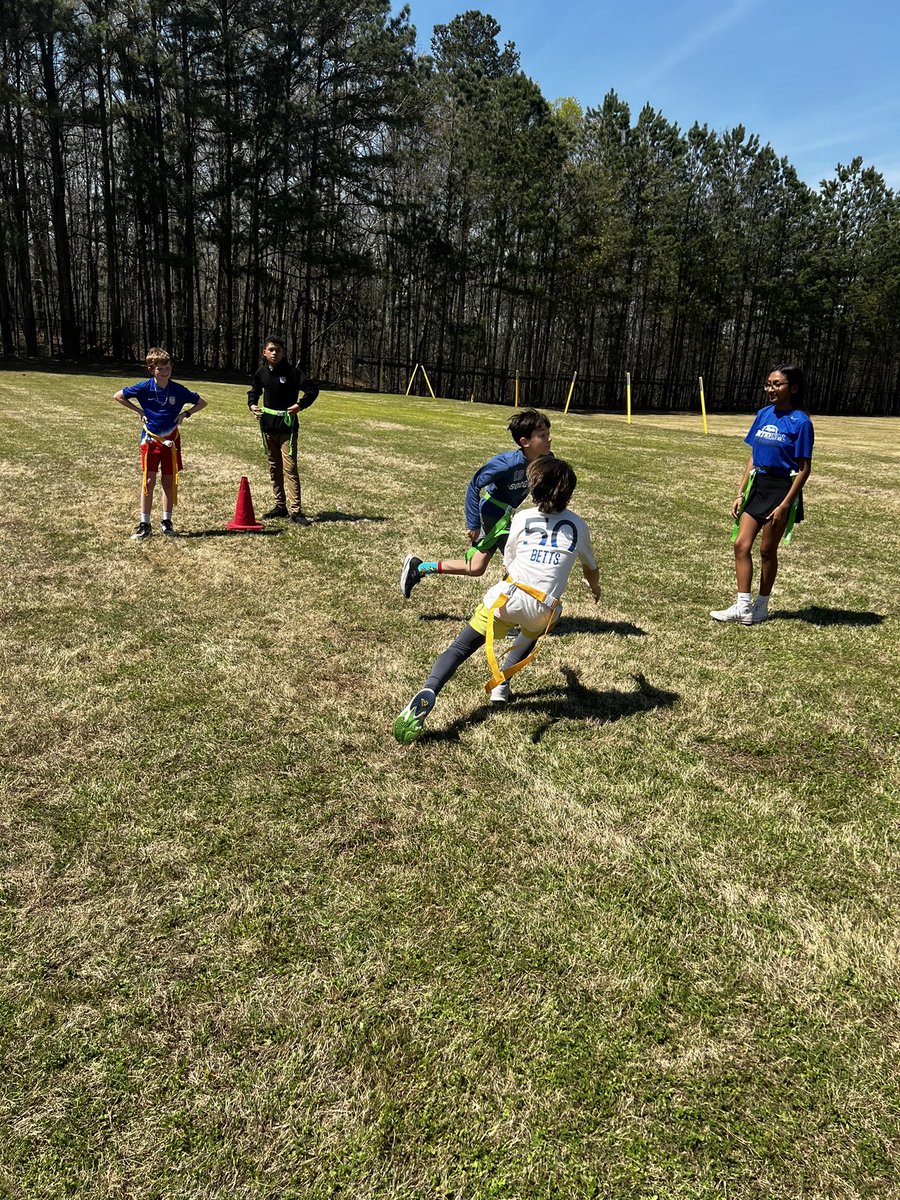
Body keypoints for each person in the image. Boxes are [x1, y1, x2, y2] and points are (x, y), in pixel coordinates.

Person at [394, 456, 600, 744]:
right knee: (529, 634)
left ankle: (430, 688)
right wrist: (595, 588)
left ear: (533, 489)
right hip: (544, 608)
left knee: (459, 648)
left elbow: (509, 564)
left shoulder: (521, 518)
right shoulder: (579, 526)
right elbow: (591, 568)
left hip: (507, 598)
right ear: (570, 492)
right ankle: (501, 686)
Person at [400, 408, 552, 598]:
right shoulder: (506, 463)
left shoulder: (546, 460)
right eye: (543, 435)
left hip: (506, 516)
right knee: (517, 564)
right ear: (525, 442)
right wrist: (473, 523)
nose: (549, 439)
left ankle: (419, 567)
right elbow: (474, 485)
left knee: (476, 567)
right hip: (491, 513)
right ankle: (507, 614)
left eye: (548, 434)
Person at [710, 364, 813, 625]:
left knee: (767, 551)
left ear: (794, 388)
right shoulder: (763, 414)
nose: (771, 389)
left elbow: (804, 468)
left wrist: (785, 505)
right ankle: (742, 606)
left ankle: (762, 606)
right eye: (768, 384)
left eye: (777, 384)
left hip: (782, 489)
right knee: (740, 545)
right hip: (759, 485)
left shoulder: (801, 422)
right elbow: (753, 456)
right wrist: (739, 493)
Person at [114, 347, 207, 539]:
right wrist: (139, 411)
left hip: (171, 442)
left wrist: (185, 414)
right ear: (151, 369)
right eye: (160, 369)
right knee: (149, 480)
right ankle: (144, 524)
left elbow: (202, 402)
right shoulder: (144, 387)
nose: (165, 372)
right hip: (150, 441)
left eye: (168, 368)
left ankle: (166, 522)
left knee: (168, 480)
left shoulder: (178, 390)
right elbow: (118, 396)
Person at [247, 335, 319, 524]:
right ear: (264, 352)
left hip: (287, 428)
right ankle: (280, 506)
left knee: (290, 468)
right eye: (271, 350)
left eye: (278, 350)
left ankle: (295, 511)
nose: (274, 353)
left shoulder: (294, 373)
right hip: (268, 428)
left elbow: (312, 390)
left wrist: (300, 406)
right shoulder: (261, 372)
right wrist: (252, 405)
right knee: (274, 467)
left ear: (283, 353)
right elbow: (254, 391)